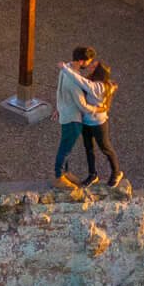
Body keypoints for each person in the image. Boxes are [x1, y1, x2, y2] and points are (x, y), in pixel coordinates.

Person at [53, 46, 104, 191]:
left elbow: (58, 90)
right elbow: (82, 105)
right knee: (66, 148)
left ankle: (65, 172)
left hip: (65, 113)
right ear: (82, 61)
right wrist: (98, 109)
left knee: (66, 145)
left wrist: (58, 107)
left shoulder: (66, 68)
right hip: (73, 117)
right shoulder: (74, 80)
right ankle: (58, 176)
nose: (89, 64)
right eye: (89, 61)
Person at [81, 60, 126, 189]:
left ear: (99, 70)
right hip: (86, 121)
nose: (90, 67)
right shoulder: (92, 81)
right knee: (88, 148)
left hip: (98, 123)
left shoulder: (98, 86)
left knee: (105, 148)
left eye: (94, 66)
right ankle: (92, 174)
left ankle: (116, 172)